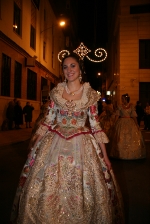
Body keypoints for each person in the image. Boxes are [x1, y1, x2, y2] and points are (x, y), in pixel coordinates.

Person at [10, 53, 124, 223]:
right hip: (54, 142)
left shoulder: (90, 95)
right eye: (65, 66)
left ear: (80, 69)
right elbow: (48, 121)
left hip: (82, 146)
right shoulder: (56, 92)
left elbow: (95, 126)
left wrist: (105, 157)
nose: (69, 70)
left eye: (73, 66)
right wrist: (34, 147)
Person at [109, 93, 146, 160]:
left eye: (123, 98)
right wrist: (114, 123)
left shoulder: (131, 106)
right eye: (122, 98)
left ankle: (131, 154)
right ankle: (121, 153)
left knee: (131, 137)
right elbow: (117, 115)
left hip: (130, 122)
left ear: (126, 99)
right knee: (121, 137)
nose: (122, 100)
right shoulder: (120, 106)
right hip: (121, 122)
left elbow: (134, 116)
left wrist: (137, 124)